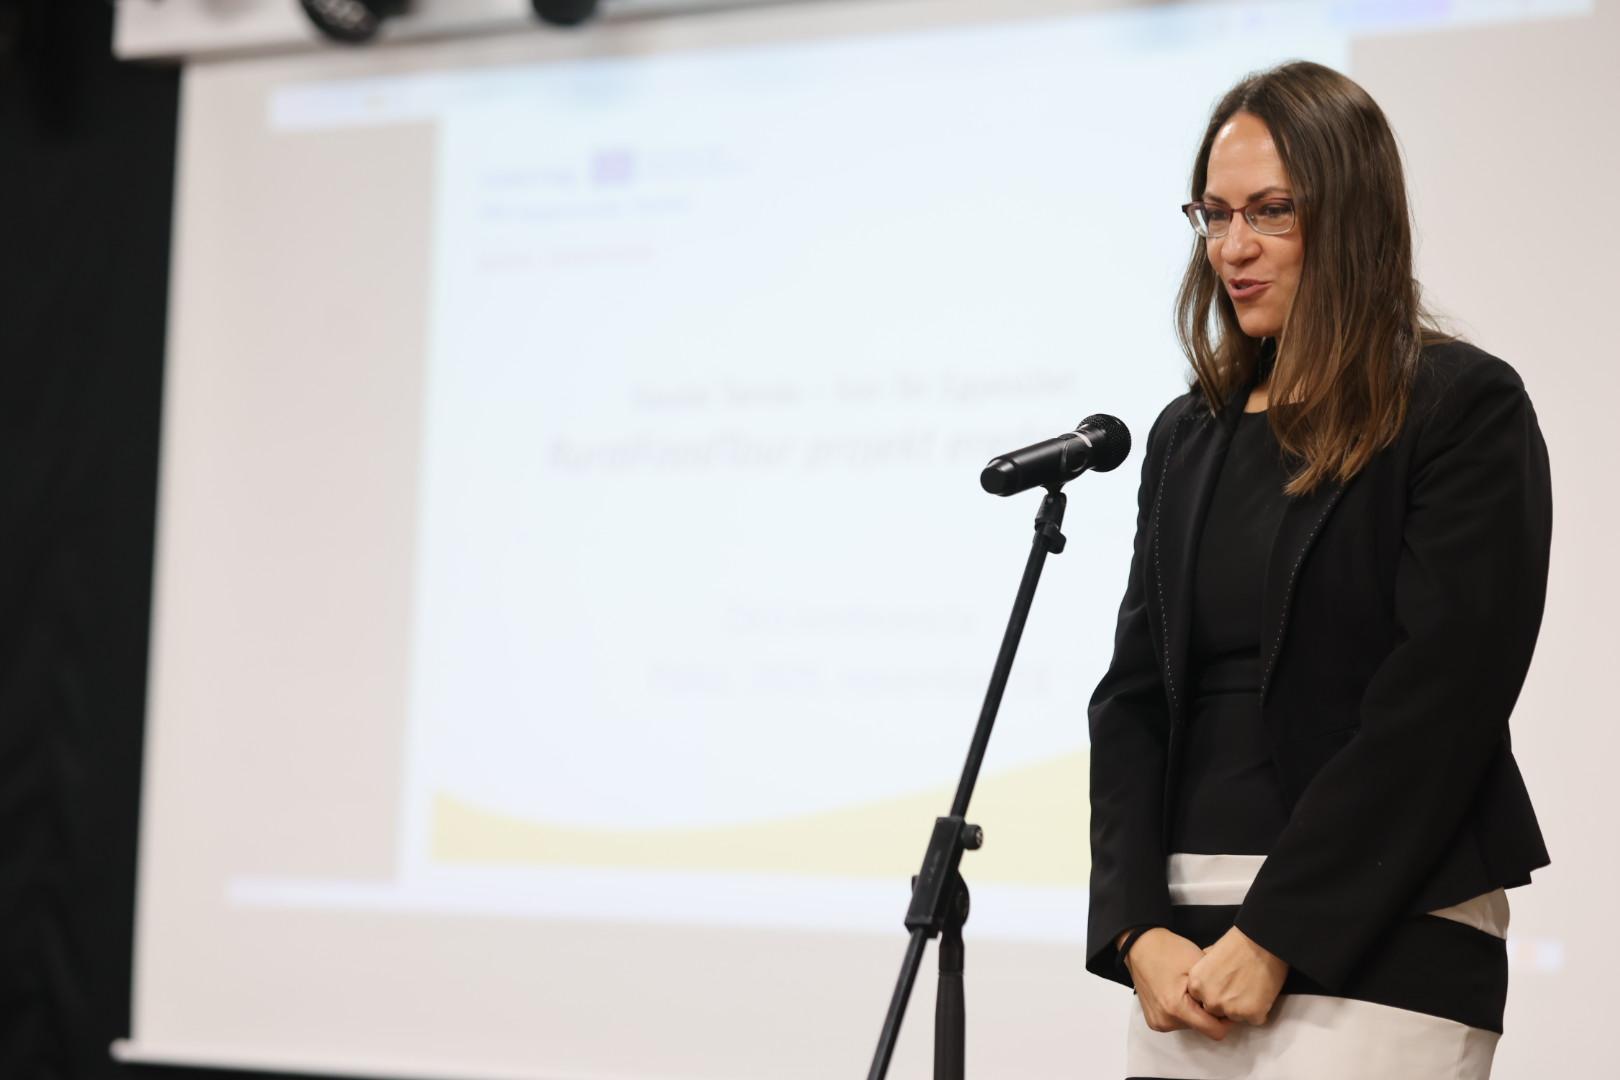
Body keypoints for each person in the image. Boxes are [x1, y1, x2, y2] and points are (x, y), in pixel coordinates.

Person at [1084, 60, 1552, 1079]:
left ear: (1351, 214)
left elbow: (1443, 699)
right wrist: (1134, 929)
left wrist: (1277, 931)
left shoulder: (1459, 406)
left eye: (1271, 212)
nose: (1233, 247)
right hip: (1185, 957)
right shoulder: (1187, 435)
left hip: (1384, 929)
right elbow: (1131, 699)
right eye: (1214, 215)